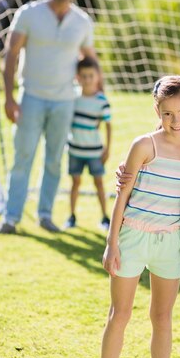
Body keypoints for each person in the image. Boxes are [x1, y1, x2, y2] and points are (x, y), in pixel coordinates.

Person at [79, 76, 180, 358]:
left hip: (169, 242)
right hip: (132, 237)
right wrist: (111, 242)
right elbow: (123, 196)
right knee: (120, 313)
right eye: (168, 113)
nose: (176, 121)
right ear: (157, 111)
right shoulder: (144, 145)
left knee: (162, 316)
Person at [0, 0, 97, 235]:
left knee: (54, 159)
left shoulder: (82, 21)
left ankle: (45, 215)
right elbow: (10, 54)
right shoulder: (29, 13)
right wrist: (9, 98)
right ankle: (10, 219)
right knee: (23, 157)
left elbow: (90, 60)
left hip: (65, 101)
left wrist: (98, 96)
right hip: (31, 97)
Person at [63, 56, 112, 231]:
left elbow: (108, 125)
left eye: (91, 75)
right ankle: (71, 216)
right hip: (75, 150)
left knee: (98, 183)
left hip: (94, 152)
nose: (87, 79)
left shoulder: (102, 101)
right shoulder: (73, 98)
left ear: (97, 76)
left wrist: (107, 148)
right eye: (83, 76)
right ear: (78, 77)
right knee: (75, 183)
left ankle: (105, 217)